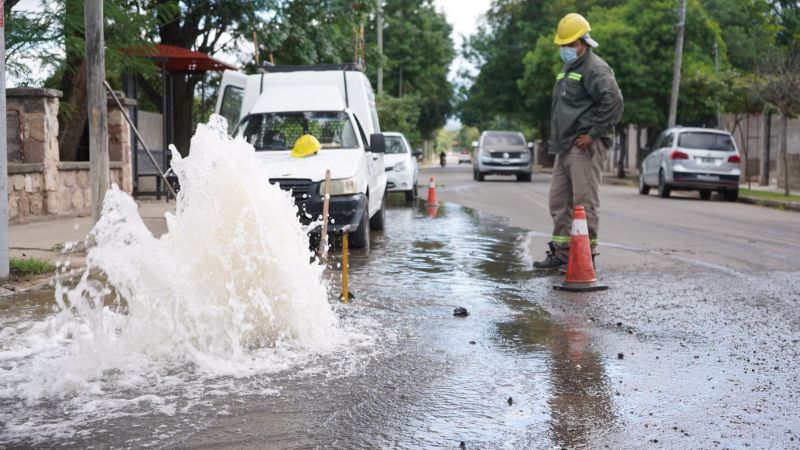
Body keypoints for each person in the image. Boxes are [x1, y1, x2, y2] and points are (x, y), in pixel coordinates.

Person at [533, 13, 624, 270]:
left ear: (583, 43)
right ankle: (562, 253)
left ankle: (586, 256)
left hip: (584, 145)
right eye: (563, 45)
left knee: (584, 203)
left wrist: (594, 134)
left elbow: (614, 102)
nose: (565, 49)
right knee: (559, 202)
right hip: (566, 146)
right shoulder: (569, 68)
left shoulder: (595, 68)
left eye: (569, 45)